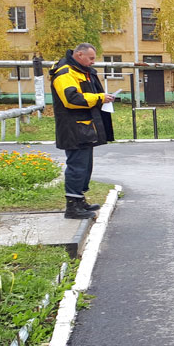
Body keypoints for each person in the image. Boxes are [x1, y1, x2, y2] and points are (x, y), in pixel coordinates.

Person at [49, 43, 114, 219]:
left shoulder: (81, 71)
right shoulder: (65, 73)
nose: (93, 62)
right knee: (77, 166)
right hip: (73, 128)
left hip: (84, 126)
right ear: (79, 55)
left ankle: (79, 200)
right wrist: (100, 98)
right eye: (91, 58)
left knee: (84, 166)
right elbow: (71, 99)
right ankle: (72, 207)